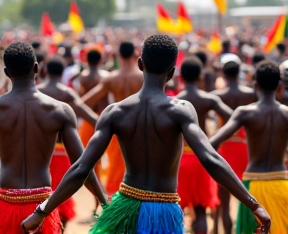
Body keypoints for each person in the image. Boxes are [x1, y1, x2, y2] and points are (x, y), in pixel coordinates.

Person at [22, 35, 270, 234]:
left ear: (141, 64)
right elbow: (210, 159)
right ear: (172, 73)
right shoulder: (182, 111)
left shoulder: (115, 112)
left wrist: (41, 212)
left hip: (124, 208)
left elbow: (80, 168)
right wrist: (254, 204)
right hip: (165, 211)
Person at [0, 42, 106, 234]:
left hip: (4, 205)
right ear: (36, 68)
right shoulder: (60, 110)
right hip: (42, 208)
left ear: (7, 72)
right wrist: (105, 202)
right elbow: (83, 167)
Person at [210, 60, 288, 234]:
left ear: (255, 84)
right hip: (282, 184)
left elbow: (213, 143)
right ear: (279, 86)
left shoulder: (245, 113)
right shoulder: (285, 114)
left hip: (252, 189)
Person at [37, 56, 99, 227]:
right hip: (62, 150)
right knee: (61, 196)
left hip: (41, 153)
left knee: (40, 193)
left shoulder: (36, 91)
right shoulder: (66, 93)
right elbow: (90, 117)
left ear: (45, 70)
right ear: (61, 72)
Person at [177, 57, 233, 234]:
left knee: (177, 210)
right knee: (201, 211)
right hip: (202, 158)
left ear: (181, 77)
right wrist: (213, 139)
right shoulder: (209, 99)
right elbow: (233, 117)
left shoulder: (175, 100)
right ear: (200, 76)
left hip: (181, 160)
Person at [81, 41, 143, 195]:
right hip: (139, 129)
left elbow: (84, 102)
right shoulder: (143, 78)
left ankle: (115, 205)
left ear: (119, 56)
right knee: (139, 171)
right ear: (136, 55)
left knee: (116, 170)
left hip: (118, 129)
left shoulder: (111, 79)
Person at [211, 54, 257, 234]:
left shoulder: (216, 95)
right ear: (239, 72)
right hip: (245, 148)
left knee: (224, 200)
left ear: (223, 73)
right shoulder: (251, 94)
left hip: (225, 147)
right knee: (247, 197)